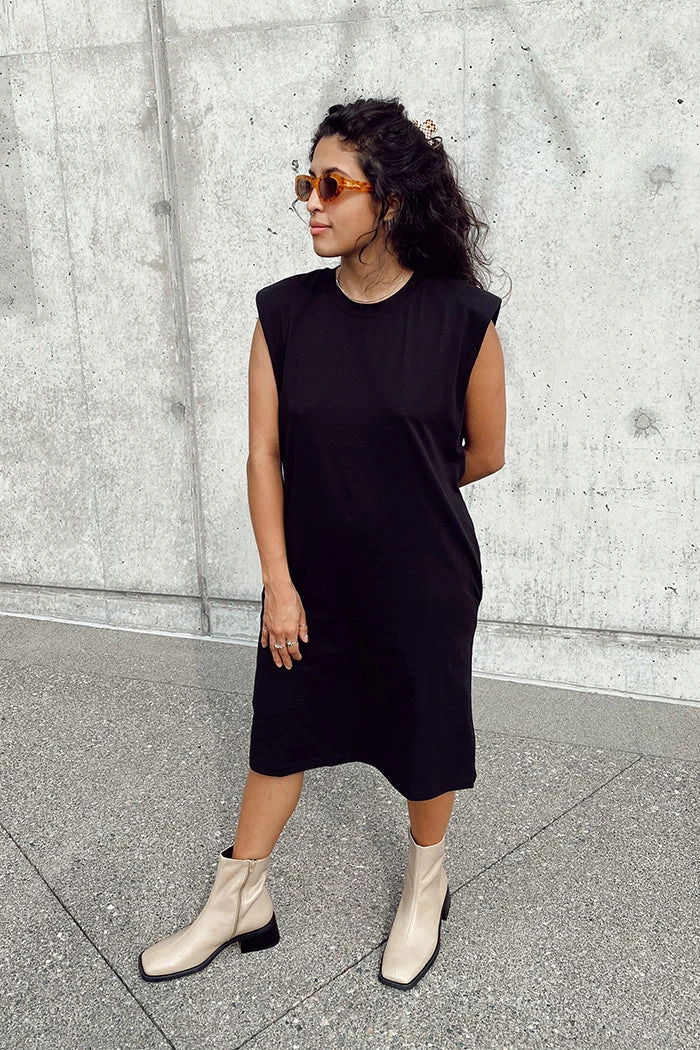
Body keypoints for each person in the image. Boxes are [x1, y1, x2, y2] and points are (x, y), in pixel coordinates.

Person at [138, 97, 507, 991]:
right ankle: (239, 897)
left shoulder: (463, 318)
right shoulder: (284, 314)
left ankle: (426, 885)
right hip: (308, 579)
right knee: (282, 732)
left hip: (423, 576)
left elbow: (485, 452)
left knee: (423, 735)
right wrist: (279, 580)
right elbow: (263, 455)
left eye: (332, 185)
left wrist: (395, 495)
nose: (311, 201)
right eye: (307, 182)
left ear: (389, 200)